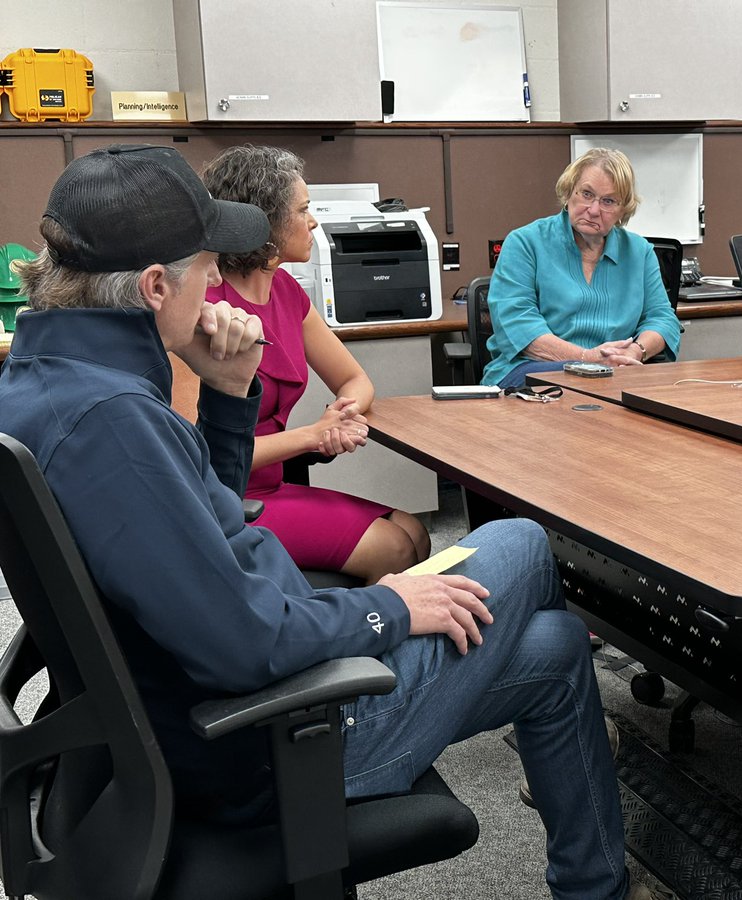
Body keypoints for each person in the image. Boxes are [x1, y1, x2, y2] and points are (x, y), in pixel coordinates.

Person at [0, 144, 664, 900]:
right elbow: (243, 643)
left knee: (552, 647)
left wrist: (229, 394)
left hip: (227, 702)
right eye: (206, 266)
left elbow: (206, 523)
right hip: (283, 733)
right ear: (155, 286)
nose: (216, 283)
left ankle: (595, 887)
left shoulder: (48, 383)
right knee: (523, 542)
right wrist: (389, 607)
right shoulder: (115, 423)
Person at [199, 144, 428, 584]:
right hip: (227, 499)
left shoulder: (286, 290)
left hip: (272, 485)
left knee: (414, 531)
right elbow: (201, 455)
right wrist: (312, 436)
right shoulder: (210, 310)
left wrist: (341, 414)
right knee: (395, 548)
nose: (314, 222)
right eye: (303, 210)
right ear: (264, 222)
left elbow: (355, 379)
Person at [482, 147, 682, 388]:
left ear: (623, 210)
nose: (594, 210)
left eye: (608, 201)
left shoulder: (639, 252)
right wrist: (587, 359)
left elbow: (662, 319)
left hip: (614, 375)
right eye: (587, 194)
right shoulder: (525, 243)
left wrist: (635, 352)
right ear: (569, 192)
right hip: (531, 371)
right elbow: (519, 327)